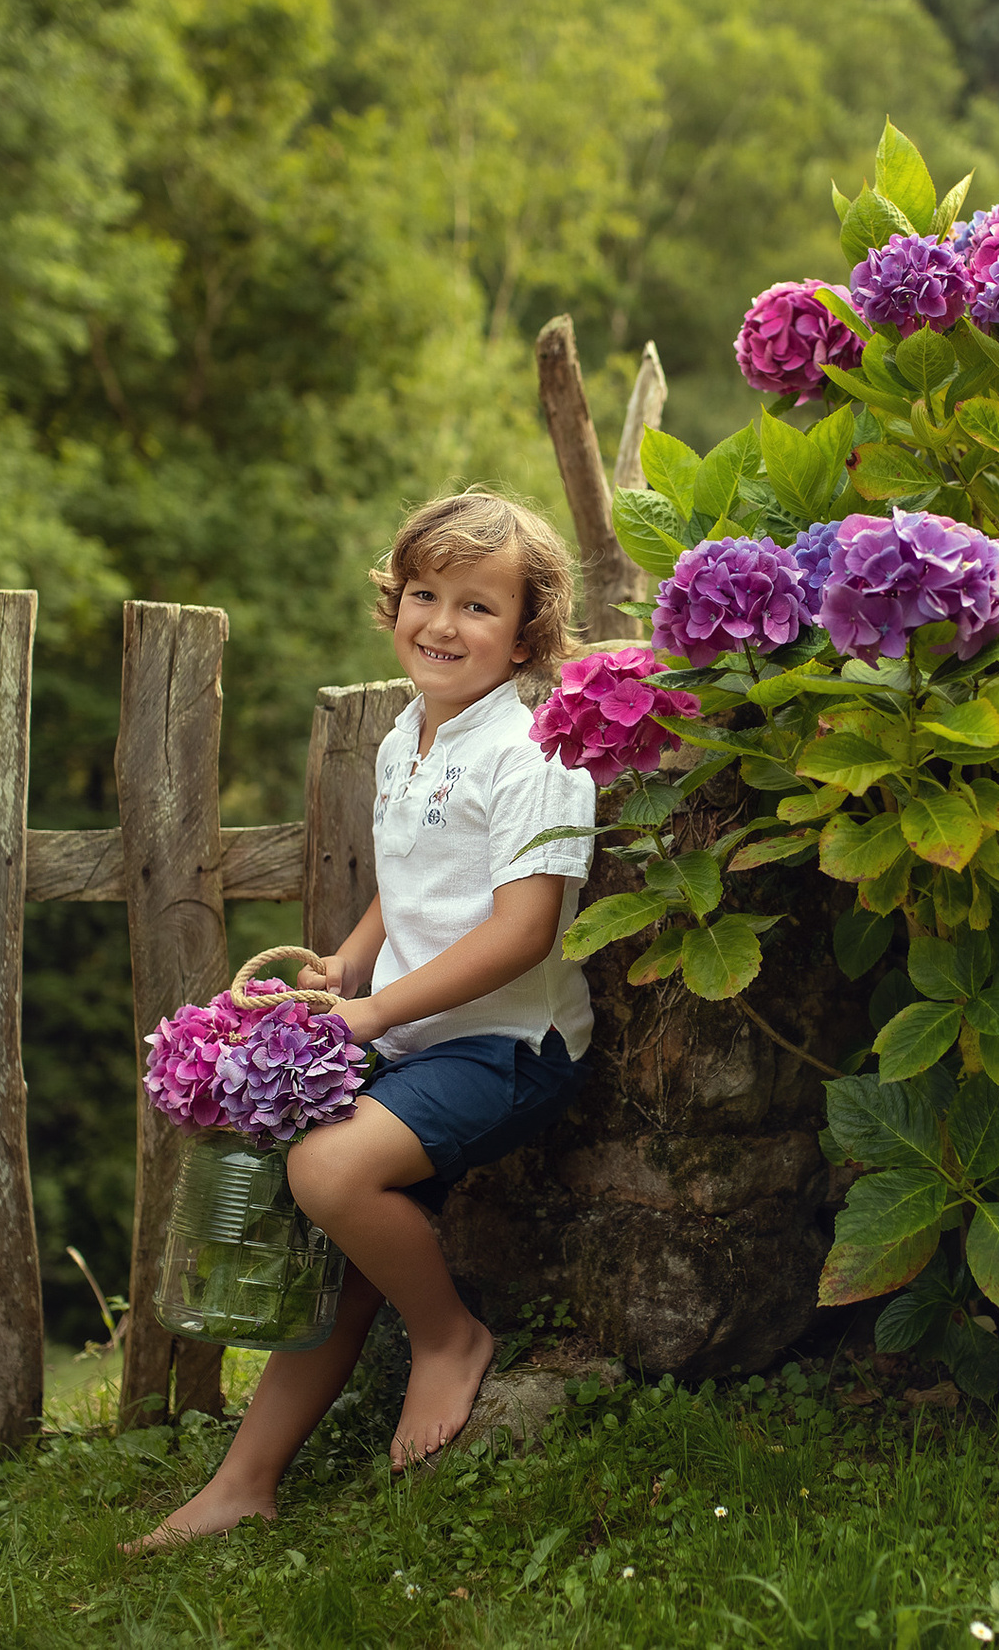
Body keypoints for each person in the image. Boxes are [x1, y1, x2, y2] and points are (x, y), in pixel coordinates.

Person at [130, 491, 597, 1550]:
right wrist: (350, 956)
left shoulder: (532, 752)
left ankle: (447, 1337)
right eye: (422, 594)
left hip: (511, 1043)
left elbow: (523, 928)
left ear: (526, 631)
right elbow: (417, 877)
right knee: (326, 1235)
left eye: (477, 606)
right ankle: (244, 1481)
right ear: (391, 603)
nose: (440, 623)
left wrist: (375, 1007)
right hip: (416, 1033)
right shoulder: (408, 735)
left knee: (329, 1173)